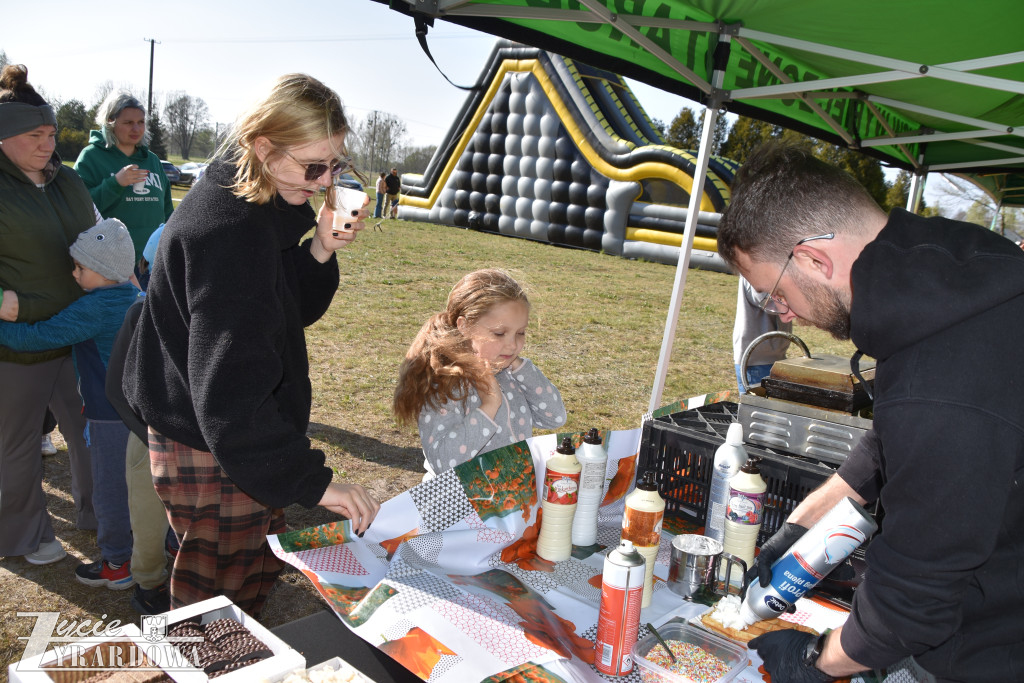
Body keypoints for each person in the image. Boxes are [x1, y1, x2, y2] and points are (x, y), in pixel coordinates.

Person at [716, 142, 1024, 683]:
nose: (781, 313)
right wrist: (801, 525)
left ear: (813, 260)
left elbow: (911, 604)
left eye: (774, 293)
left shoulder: (940, 377)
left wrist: (815, 660)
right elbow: (892, 443)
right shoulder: (951, 278)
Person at [123, 73, 381, 617]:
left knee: (249, 570)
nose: (324, 182)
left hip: (225, 435)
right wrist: (314, 484)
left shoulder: (258, 201)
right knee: (215, 603)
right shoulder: (230, 231)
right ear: (264, 148)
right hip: (211, 441)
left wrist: (319, 249)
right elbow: (232, 394)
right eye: (313, 167)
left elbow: (284, 311)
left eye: (335, 166)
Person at [0, 219, 142, 589]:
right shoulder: (135, 296)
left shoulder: (94, 307)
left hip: (108, 414)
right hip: (139, 410)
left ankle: (117, 562)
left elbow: (38, 337)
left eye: (79, 267)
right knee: (140, 485)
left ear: (102, 271)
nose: (74, 273)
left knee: (109, 490)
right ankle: (152, 548)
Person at [0, 64, 96, 566]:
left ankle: (100, 513)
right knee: (16, 446)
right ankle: (23, 536)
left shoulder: (69, 179)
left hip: (79, 332)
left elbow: (99, 237)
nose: (47, 145)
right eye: (34, 135)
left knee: (90, 431)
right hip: (18, 344)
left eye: (52, 134)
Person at [394, 269, 567, 477]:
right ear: (465, 326)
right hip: (460, 496)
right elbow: (443, 462)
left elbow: (554, 417)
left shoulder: (512, 373)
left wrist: (520, 367)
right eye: (499, 333)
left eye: (520, 332)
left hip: (511, 492)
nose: (513, 345)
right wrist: (489, 406)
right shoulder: (446, 383)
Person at [74, 91, 173, 285]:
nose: (136, 128)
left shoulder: (152, 160)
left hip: (152, 263)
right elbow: (78, 209)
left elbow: (168, 210)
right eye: (128, 122)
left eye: (141, 122)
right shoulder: (91, 157)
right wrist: (115, 184)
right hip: (109, 265)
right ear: (110, 122)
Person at [733, 276, 791, 392]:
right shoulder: (755, 271)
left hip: (770, 355)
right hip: (758, 359)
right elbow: (770, 303)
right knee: (759, 402)